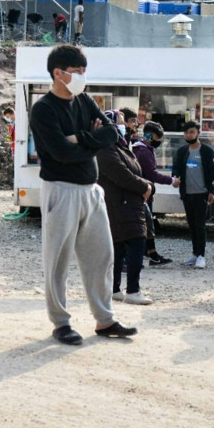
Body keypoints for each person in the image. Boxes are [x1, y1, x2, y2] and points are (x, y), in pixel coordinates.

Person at [28, 44, 136, 345]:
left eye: (83, 72)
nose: (81, 78)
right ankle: (61, 323)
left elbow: (113, 134)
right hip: (60, 190)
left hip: (91, 190)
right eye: (76, 72)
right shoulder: (43, 109)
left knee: (102, 256)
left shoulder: (84, 99)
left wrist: (79, 137)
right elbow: (61, 153)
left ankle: (105, 319)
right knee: (57, 261)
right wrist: (91, 139)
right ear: (58, 73)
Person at [97, 111, 153, 305]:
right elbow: (121, 174)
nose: (125, 127)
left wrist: (143, 185)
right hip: (120, 203)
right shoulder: (105, 148)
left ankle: (114, 289)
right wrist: (144, 186)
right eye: (120, 123)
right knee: (136, 242)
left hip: (127, 202)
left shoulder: (120, 145)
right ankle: (132, 290)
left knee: (119, 246)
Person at [171, 121, 214, 269]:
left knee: (200, 225)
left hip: (201, 194)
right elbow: (176, 168)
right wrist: (175, 177)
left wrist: (211, 191)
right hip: (187, 194)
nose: (188, 135)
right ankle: (195, 254)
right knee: (191, 225)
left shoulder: (207, 152)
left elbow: (212, 173)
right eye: (186, 132)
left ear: (198, 133)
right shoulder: (182, 151)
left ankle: (202, 256)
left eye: (191, 132)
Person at [132, 121, 175, 266]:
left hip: (143, 192)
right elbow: (152, 174)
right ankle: (150, 255)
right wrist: (171, 180)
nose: (159, 142)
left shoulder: (141, 148)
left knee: (146, 224)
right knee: (147, 224)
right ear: (149, 136)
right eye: (157, 138)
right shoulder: (144, 152)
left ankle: (149, 253)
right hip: (143, 193)